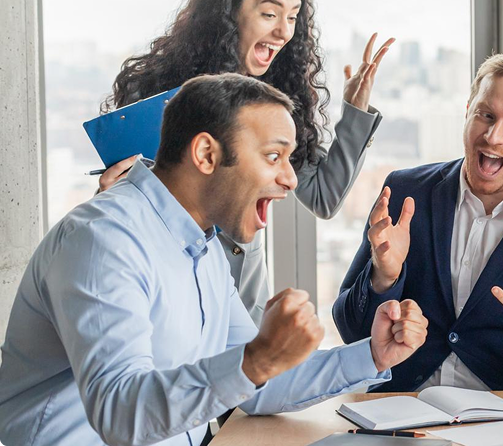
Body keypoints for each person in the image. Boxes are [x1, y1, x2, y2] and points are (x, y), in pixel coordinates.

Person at [0, 74, 427, 446]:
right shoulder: (104, 239)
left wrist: (373, 354)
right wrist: (256, 359)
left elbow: (256, 383)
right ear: (206, 154)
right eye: (274, 156)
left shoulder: (204, 250)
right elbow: (119, 412)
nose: (291, 179)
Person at [97, 0, 394, 324]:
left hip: (243, 292)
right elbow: (130, 201)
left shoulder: (274, 102)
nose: (285, 31)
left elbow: (323, 196)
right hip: (168, 285)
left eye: (292, 17)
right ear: (228, 13)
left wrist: (355, 110)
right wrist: (110, 199)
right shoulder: (152, 93)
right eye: (270, 14)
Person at [333, 51, 503, 392]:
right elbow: (350, 330)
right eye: (486, 115)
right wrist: (383, 278)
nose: (493, 136)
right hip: (399, 413)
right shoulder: (404, 192)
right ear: (467, 112)